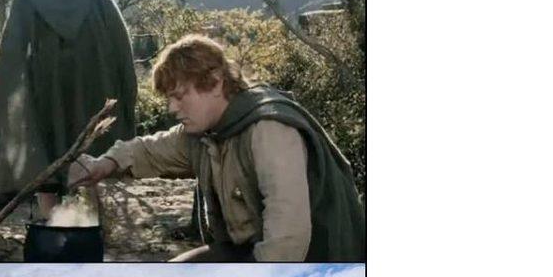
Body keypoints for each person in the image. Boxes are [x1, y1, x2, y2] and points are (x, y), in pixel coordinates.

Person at [68, 34, 365, 262]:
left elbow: (287, 240)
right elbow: (148, 150)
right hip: (247, 253)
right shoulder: (205, 131)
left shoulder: (270, 131)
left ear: (215, 82)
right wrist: (102, 165)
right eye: (169, 98)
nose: (172, 108)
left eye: (180, 96)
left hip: (317, 262)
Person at [0, 0, 138, 219]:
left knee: (46, 148)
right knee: (94, 143)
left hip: (47, 84)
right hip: (97, 81)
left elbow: (13, 47)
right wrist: (125, 88)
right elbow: (120, 39)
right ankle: (95, 221)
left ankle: (51, 221)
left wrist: (9, 95)